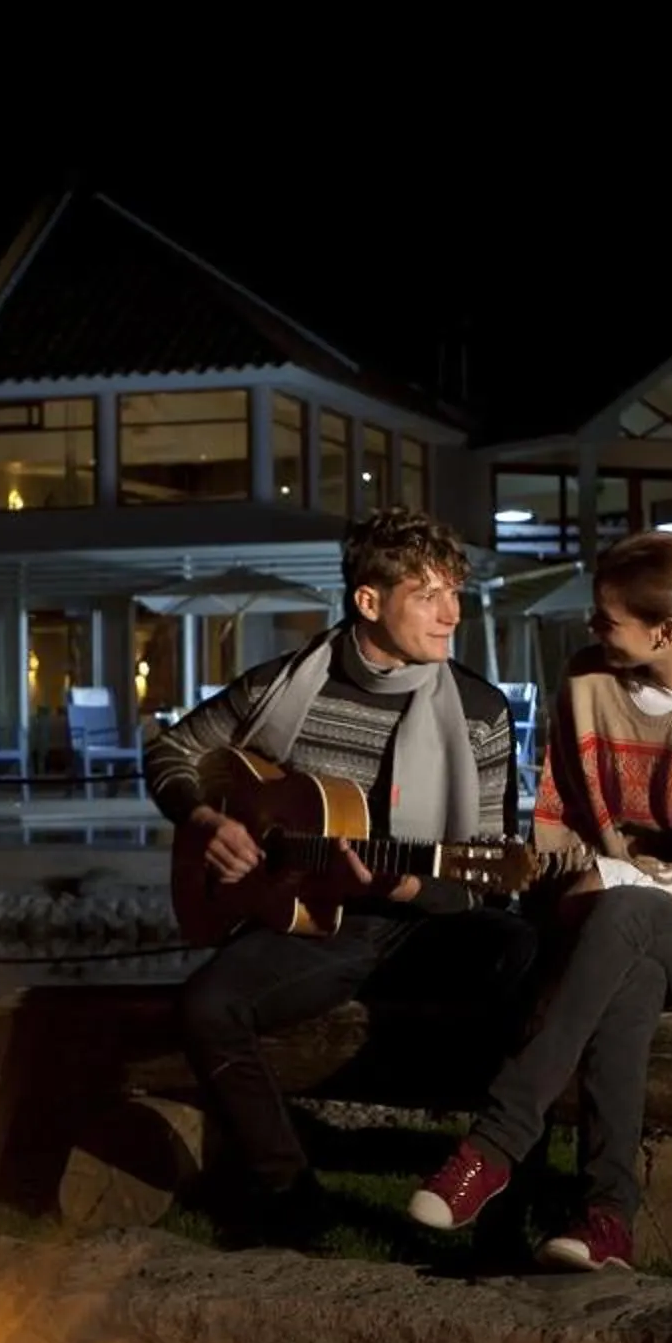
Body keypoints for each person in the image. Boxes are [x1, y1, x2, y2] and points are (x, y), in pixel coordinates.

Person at [406, 530, 672, 1271]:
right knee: (627, 969)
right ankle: (606, 1221)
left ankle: (494, 1144)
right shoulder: (587, 684)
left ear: (663, 631)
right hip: (606, 927)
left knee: (627, 915)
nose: (592, 630)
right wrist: (605, 879)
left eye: (607, 619)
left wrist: (632, 877)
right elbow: (563, 828)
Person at [145, 506, 537, 1240]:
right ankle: (289, 1195)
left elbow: (491, 871)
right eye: (428, 594)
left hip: (418, 913)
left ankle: (506, 1189)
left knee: (521, 948)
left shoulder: (480, 711)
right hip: (316, 918)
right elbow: (171, 752)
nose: (452, 613)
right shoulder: (285, 686)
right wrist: (208, 820)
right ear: (368, 601)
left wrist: (407, 886)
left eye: (456, 592)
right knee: (206, 1005)